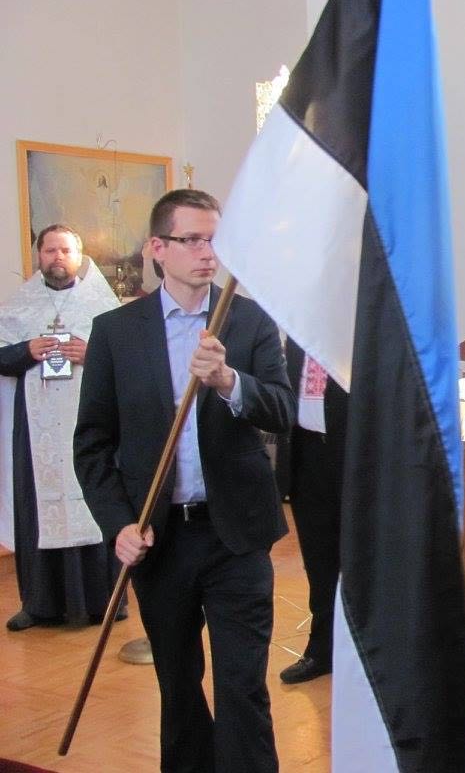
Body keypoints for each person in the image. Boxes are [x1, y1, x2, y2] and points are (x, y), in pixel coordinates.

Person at [74, 189, 295, 773]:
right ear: (158, 248)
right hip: (159, 539)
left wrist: (227, 380)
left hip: (235, 538)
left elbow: (279, 409)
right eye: (192, 239)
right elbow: (93, 445)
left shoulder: (247, 320)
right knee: (178, 685)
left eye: (214, 240)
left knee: (242, 685)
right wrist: (118, 522)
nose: (207, 253)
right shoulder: (116, 332)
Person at [0, 224, 121, 631]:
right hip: (36, 433)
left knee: (95, 501)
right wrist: (25, 351)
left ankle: (103, 603)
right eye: (49, 250)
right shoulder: (21, 305)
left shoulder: (104, 305)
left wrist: (93, 354)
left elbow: (129, 360)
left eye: (64, 249)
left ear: (78, 254)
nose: (57, 257)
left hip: (89, 425)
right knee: (38, 510)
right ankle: (40, 605)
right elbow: (1, 357)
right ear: (39, 256)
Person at [275, 337, 345, 684]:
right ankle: (322, 650)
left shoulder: (355, 326)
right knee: (319, 564)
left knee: (361, 562)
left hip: (353, 457)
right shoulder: (299, 332)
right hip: (305, 457)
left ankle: (368, 654)